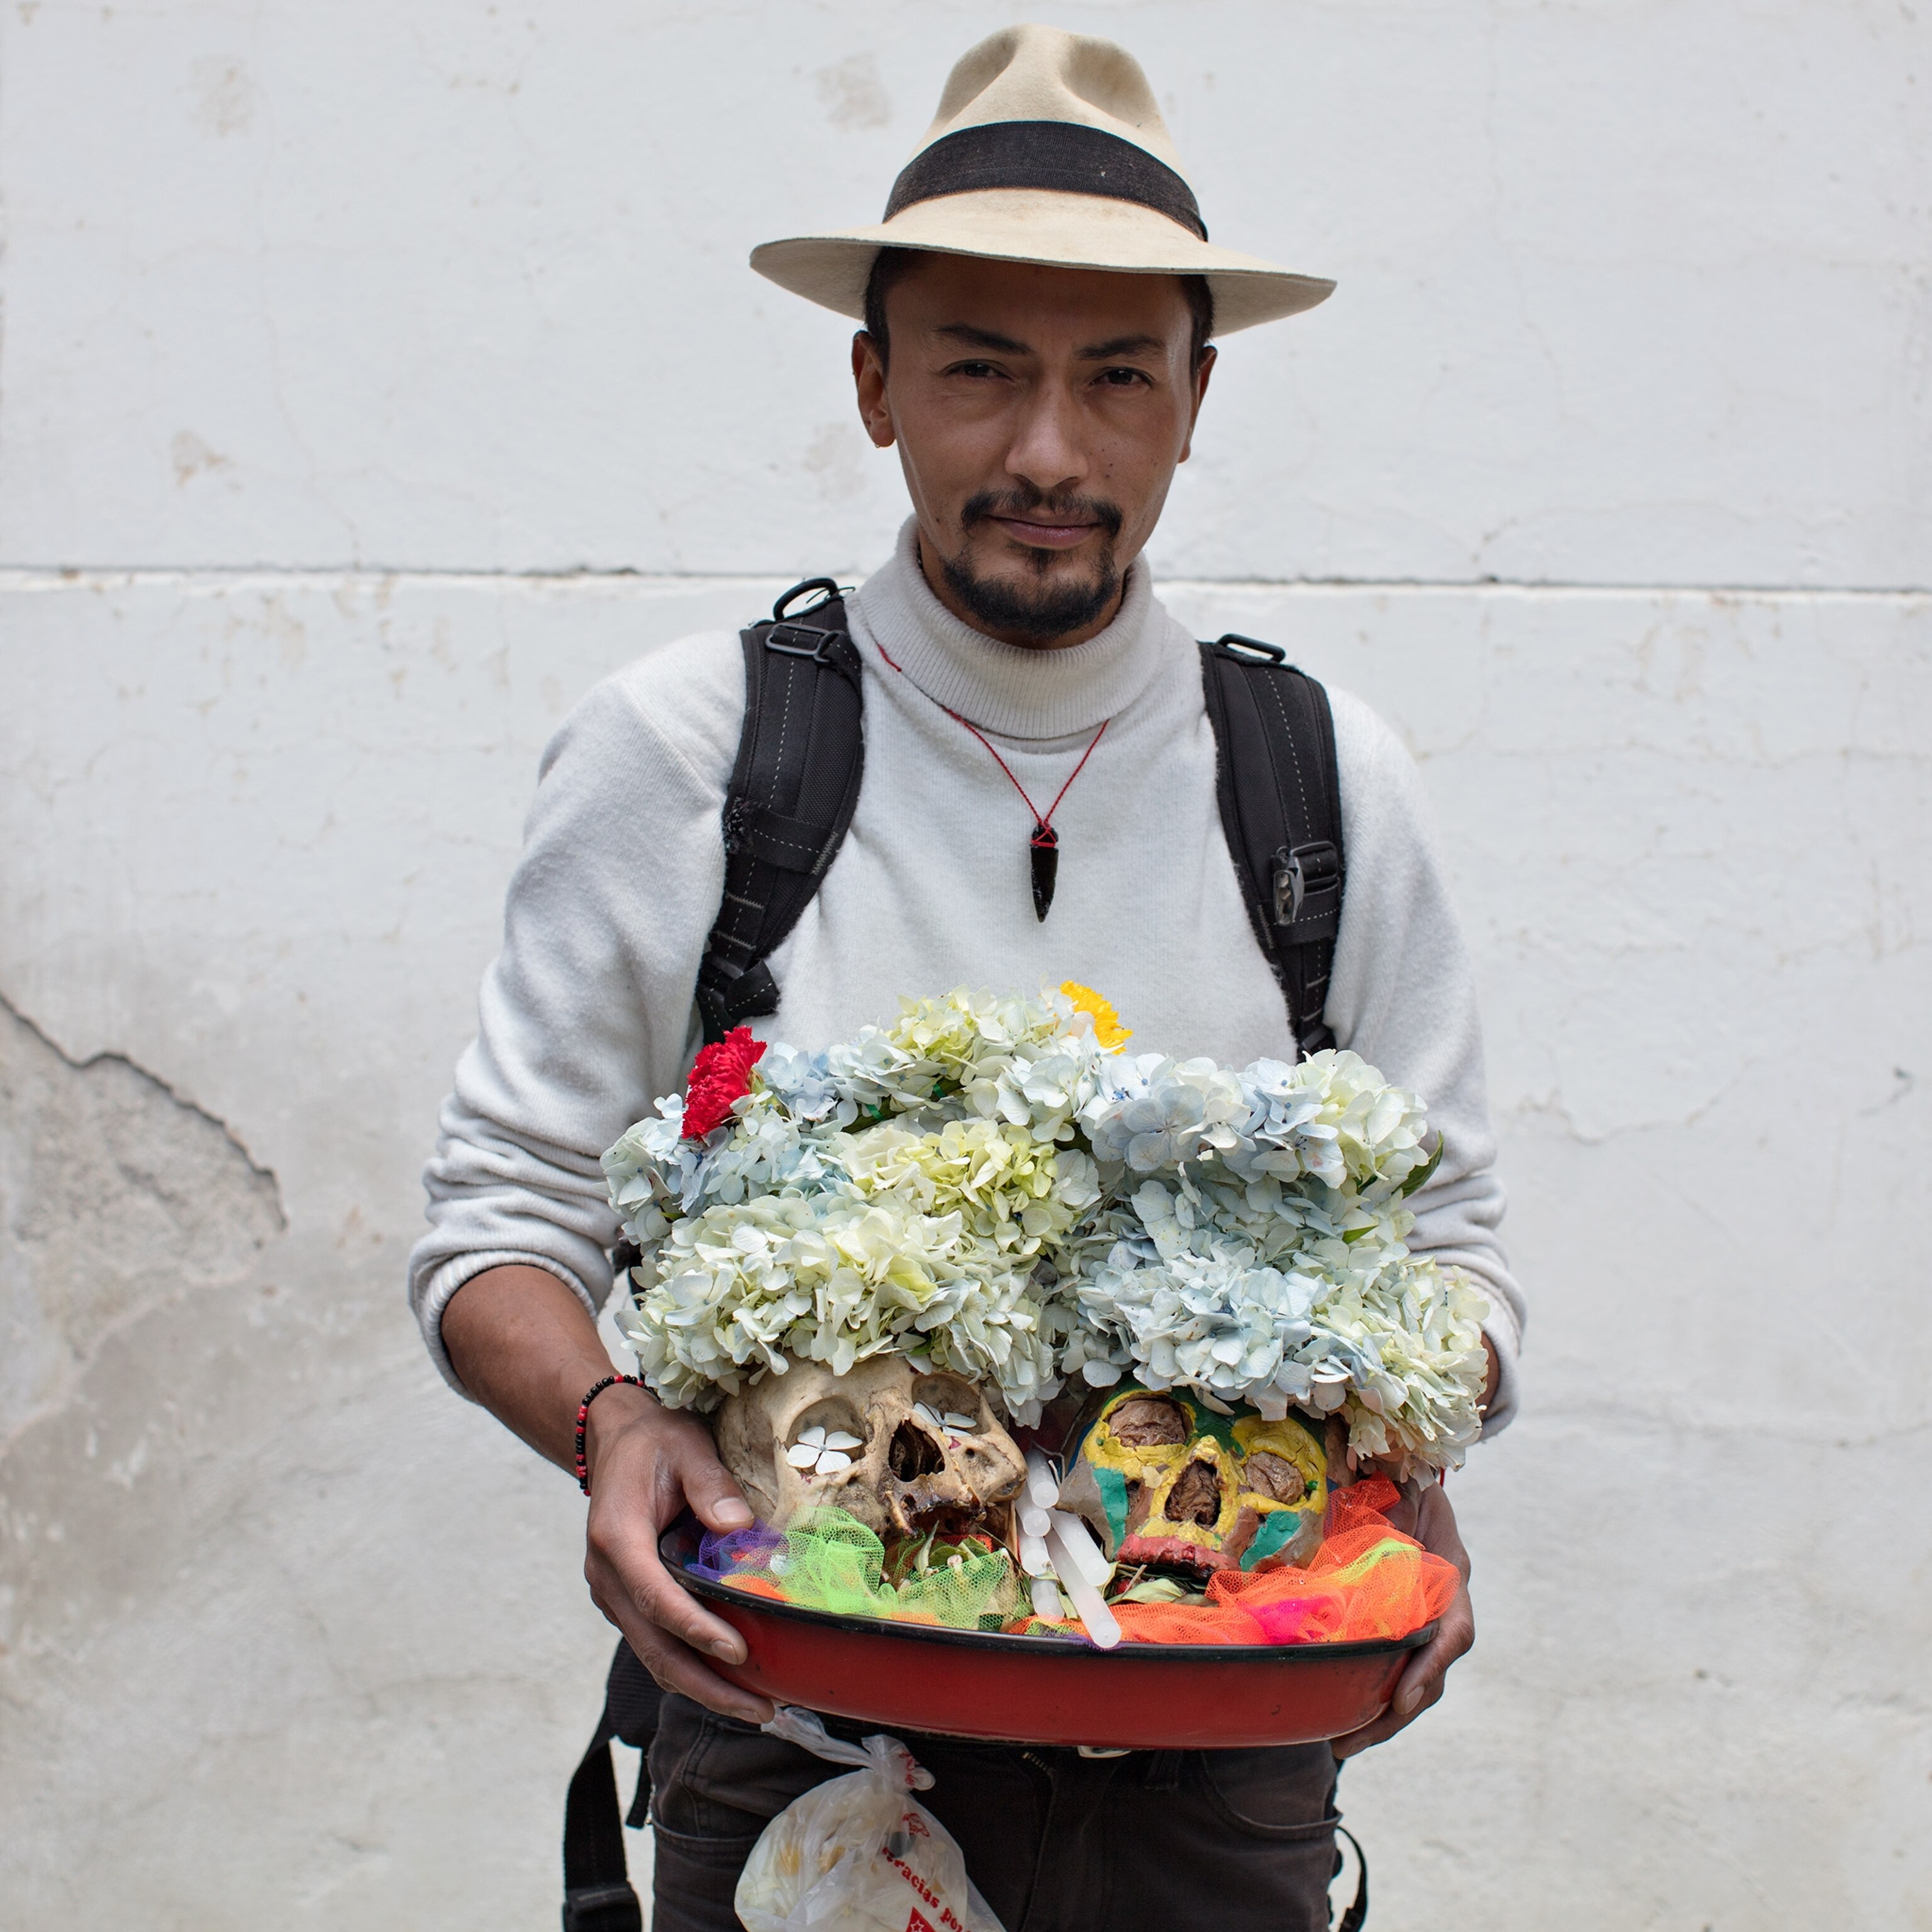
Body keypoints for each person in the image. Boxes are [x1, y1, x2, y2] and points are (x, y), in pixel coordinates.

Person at [410, 25, 1524, 1931]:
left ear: (1196, 399)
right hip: (798, 1722)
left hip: (1226, 1749)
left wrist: (1387, 1468)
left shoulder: (1324, 780)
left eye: (1115, 379)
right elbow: (497, 1222)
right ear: (874, 385)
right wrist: (614, 1428)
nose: (1046, 452)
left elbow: (1464, 1254)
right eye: (980, 371)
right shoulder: (690, 753)